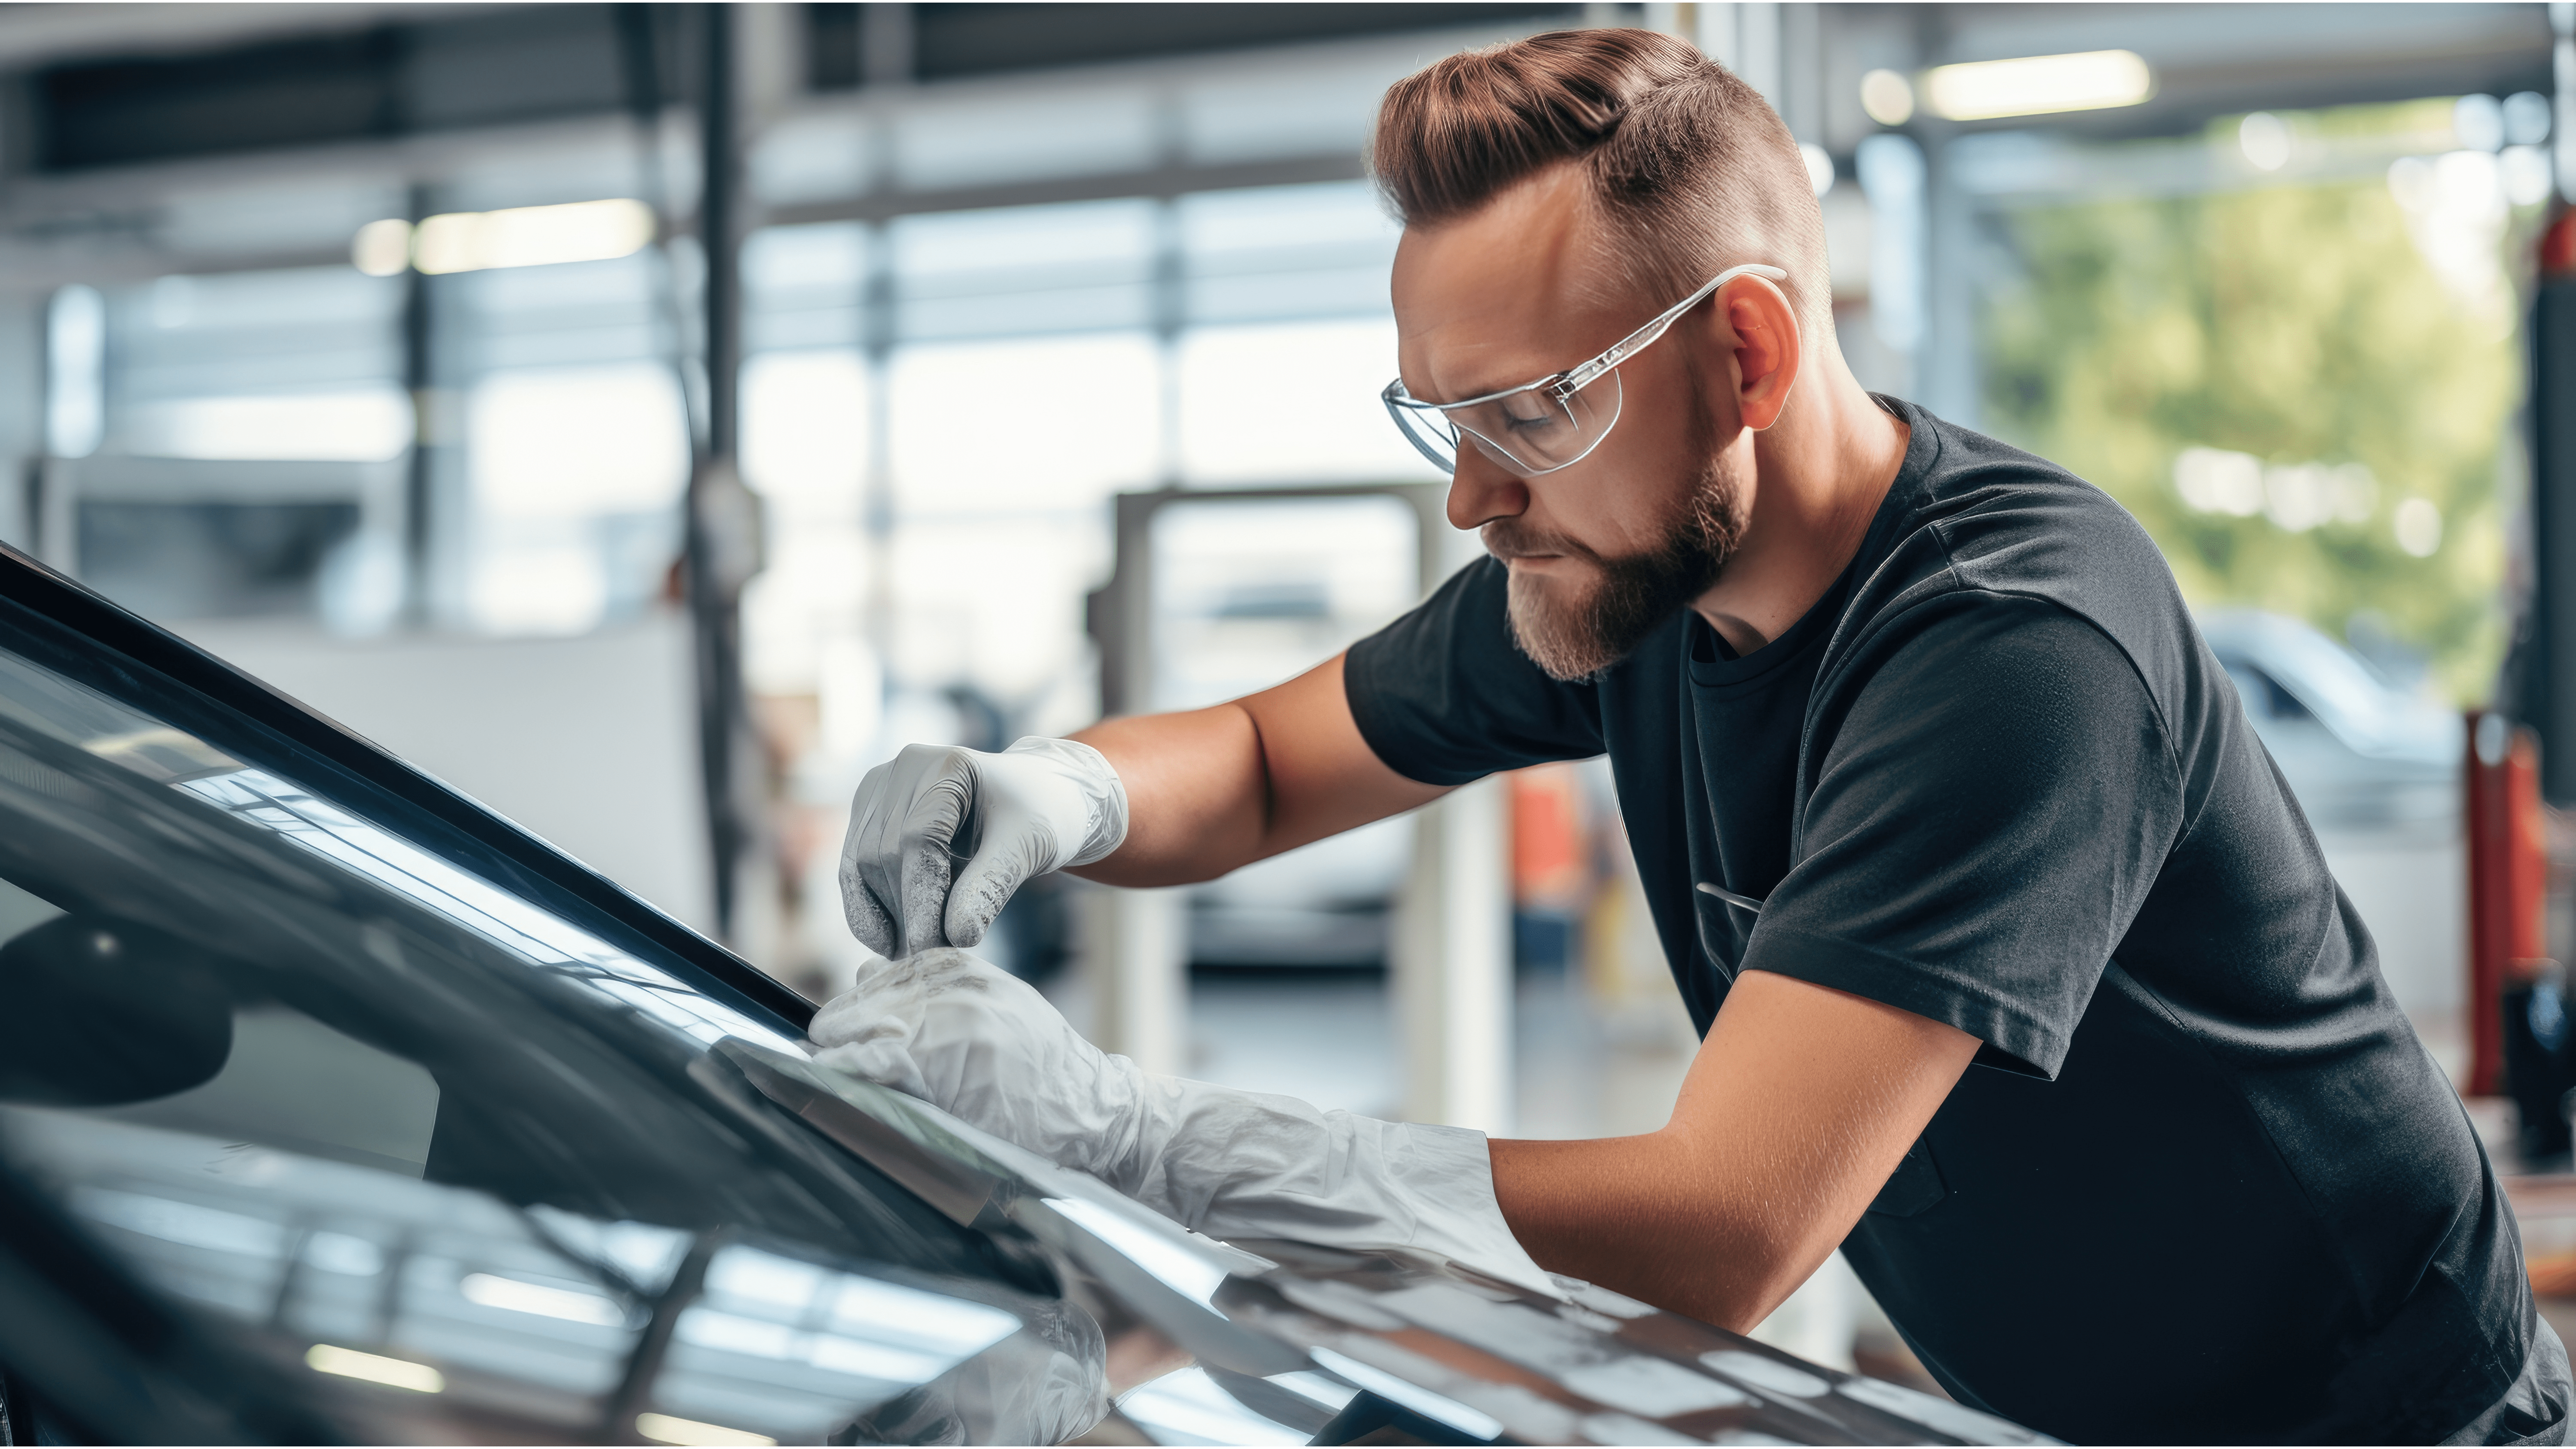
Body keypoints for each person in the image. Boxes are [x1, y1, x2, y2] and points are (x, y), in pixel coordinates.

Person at [814, 28, 2563, 1446]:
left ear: (1741, 350)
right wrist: (1054, 787)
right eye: (1440, 419)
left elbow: (1723, 1231)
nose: (1477, 497)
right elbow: (1271, 759)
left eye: (1529, 410)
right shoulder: (1624, 570)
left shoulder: (2011, 645)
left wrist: (1132, 1139)